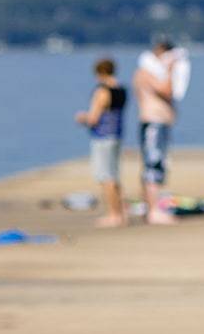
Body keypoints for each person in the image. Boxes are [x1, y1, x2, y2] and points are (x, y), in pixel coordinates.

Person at [74, 57, 127, 228]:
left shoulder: (102, 91)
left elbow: (93, 118)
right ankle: (121, 213)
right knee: (115, 176)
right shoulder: (121, 90)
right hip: (117, 136)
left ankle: (113, 215)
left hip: (103, 137)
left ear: (100, 72)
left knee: (106, 177)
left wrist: (82, 118)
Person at [132, 37, 179, 224]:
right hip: (153, 122)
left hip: (158, 122)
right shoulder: (146, 72)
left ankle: (150, 208)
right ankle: (153, 211)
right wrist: (170, 69)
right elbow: (166, 90)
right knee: (154, 164)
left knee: (155, 164)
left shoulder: (150, 72)